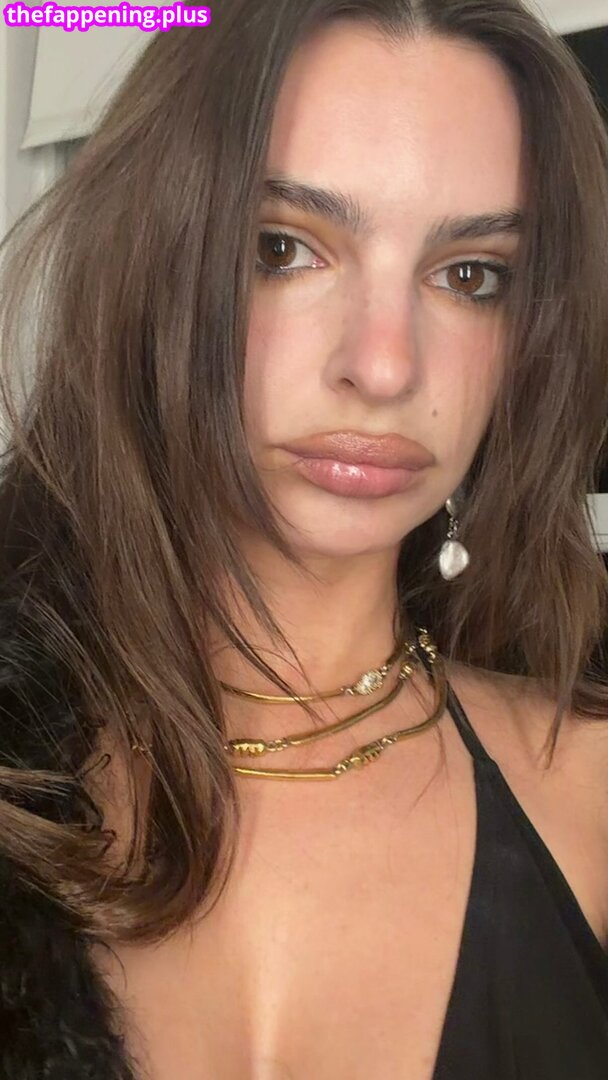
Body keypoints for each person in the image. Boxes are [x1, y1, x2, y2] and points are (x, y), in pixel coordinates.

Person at [1, 0, 607, 1077]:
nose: (384, 367)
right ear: (154, 263)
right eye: (282, 249)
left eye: (470, 275)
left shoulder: (587, 794)